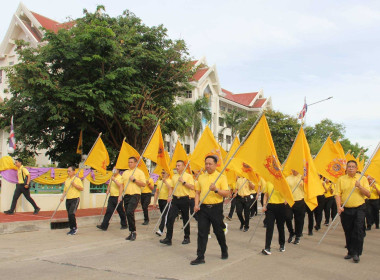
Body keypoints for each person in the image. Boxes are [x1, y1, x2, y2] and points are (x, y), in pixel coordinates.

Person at [190, 155, 230, 265]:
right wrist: (196, 204)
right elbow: (197, 192)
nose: (207, 166)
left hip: (216, 208)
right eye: (206, 163)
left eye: (210, 164)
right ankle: (200, 256)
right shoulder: (201, 177)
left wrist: (216, 190)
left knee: (218, 232)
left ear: (216, 164)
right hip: (203, 209)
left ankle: (224, 249)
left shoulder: (221, 177)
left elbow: (227, 193)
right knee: (202, 232)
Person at [336, 160, 370, 263]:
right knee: (348, 230)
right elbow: (337, 194)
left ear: (356, 168)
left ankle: (356, 253)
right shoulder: (341, 179)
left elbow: (368, 194)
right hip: (346, 209)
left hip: (359, 208)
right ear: (346, 168)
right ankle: (350, 251)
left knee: (358, 230)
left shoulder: (362, 179)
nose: (351, 168)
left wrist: (359, 186)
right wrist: (339, 206)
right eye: (349, 166)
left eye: (353, 166)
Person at [160, 160, 194, 246]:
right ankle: (168, 238)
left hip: (184, 199)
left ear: (183, 166)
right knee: (170, 218)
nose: (177, 167)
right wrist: (169, 196)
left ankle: (187, 237)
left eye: (179, 165)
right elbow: (171, 188)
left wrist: (183, 182)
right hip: (175, 199)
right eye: (176, 165)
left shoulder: (188, 176)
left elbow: (192, 187)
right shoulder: (174, 177)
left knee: (185, 218)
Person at [120, 157, 146, 241]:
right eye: (129, 162)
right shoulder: (125, 173)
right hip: (126, 195)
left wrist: (134, 180)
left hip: (135, 194)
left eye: (131, 162)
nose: (130, 163)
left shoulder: (139, 172)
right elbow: (121, 185)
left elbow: (143, 184)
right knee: (128, 213)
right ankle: (131, 232)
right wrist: (120, 195)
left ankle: (133, 231)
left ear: (136, 163)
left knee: (129, 211)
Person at [261, 181, 286, 255]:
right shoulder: (268, 183)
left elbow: (287, 193)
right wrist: (264, 205)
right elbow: (266, 195)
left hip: (280, 206)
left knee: (280, 226)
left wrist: (286, 199)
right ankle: (267, 247)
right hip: (270, 207)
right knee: (269, 227)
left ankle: (282, 244)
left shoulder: (282, 182)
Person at [61, 166, 84, 235]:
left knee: (71, 213)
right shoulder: (67, 180)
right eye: (67, 171)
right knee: (69, 214)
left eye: (69, 171)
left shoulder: (77, 180)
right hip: (68, 199)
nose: (68, 172)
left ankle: (74, 228)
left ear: (74, 172)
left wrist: (74, 185)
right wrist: (62, 197)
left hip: (75, 199)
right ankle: (71, 228)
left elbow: (81, 188)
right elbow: (65, 190)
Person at [285, 169, 305, 245]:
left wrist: (305, 181)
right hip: (290, 201)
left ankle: (298, 235)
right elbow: (285, 189)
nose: (294, 170)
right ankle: (291, 232)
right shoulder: (288, 178)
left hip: (300, 200)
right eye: (292, 169)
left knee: (299, 219)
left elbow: (308, 189)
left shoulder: (302, 177)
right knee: (287, 217)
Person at [153, 170, 172, 236]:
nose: (162, 174)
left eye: (164, 173)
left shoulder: (170, 181)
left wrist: (165, 182)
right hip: (160, 200)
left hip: (167, 200)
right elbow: (156, 192)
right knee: (164, 216)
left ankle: (160, 230)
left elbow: (170, 189)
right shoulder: (159, 182)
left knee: (164, 215)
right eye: (162, 172)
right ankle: (168, 229)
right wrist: (154, 202)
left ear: (168, 174)